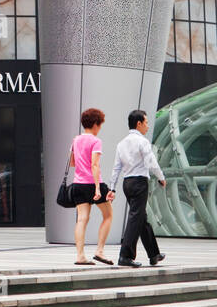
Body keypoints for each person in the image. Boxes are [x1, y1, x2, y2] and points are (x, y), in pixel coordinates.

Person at [108, 110, 167, 268]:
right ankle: (125, 256)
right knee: (135, 218)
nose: (147, 126)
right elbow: (151, 162)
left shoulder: (121, 144)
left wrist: (112, 188)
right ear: (138, 123)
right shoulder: (142, 142)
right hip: (140, 182)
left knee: (141, 218)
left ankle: (154, 254)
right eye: (146, 122)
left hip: (127, 183)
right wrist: (161, 177)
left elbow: (116, 168)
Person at [70, 107, 114, 266]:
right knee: (108, 215)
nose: (100, 128)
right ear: (95, 124)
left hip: (78, 184)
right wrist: (97, 188)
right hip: (93, 183)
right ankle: (99, 251)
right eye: (100, 125)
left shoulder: (76, 140)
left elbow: (72, 163)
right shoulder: (96, 141)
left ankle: (80, 256)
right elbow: (95, 165)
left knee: (82, 219)